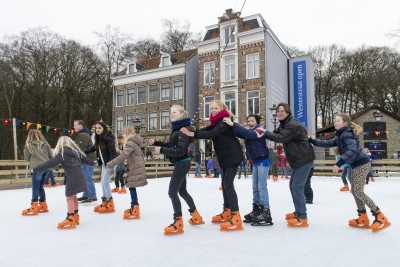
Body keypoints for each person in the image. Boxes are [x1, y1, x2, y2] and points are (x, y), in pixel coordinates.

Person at [309, 113, 391, 233]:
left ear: (345, 123)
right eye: (335, 120)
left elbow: (352, 150)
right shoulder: (341, 135)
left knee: (358, 191)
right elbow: (328, 143)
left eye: (338, 121)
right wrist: (312, 140)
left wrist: (339, 163)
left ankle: (380, 216)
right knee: (355, 191)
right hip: (356, 165)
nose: (335, 122)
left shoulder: (347, 134)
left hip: (361, 164)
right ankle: (363, 217)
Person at [181, 100, 244, 231]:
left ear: (221, 109)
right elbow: (205, 130)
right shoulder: (216, 123)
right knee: (225, 184)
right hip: (224, 157)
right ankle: (227, 211)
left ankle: (236, 215)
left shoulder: (225, 121)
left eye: (216, 108)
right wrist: (191, 132)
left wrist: (192, 134)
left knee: (228, 184)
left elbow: (211, 134)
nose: (213, 110)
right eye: (212, 108)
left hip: (232, 155)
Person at [150, 105, 204, 235]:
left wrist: (161, 150)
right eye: (170, 112)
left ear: (181, 114)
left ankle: (178, 222)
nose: (171, 114)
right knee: (182, 191)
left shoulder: (182, 130)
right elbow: (171, 145)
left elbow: (179, 151)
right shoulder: (177, 129)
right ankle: (195, 215)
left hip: (182, 163)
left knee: (172, 192)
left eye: (174, 112)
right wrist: (157, 143)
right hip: (181, 163)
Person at [263, 103, 315, 227]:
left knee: (297, 187)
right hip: (298, 160)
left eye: (282, 111)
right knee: (293, 186)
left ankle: (302, 217)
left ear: (287, 112)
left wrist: (264, 132)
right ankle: (298, 211)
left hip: (303, 158)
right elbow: (276, 132)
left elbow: (280, 137)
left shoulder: (292, 124)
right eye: (278, 111)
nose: (280, 113)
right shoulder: (285, 123)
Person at [33, 136, 94, 229]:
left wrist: (36, 169)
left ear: (60, 144)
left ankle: (70, 218)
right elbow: (87, 160)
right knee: (74, 197)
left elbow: (50, 163)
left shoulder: (62, 153)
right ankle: (75, 216)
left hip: (72, 176)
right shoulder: (76, 152)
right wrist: (93, 163)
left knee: (69, 197)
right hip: (80, 175)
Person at [224, 114, 273, 226]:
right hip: (255, 161)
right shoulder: (249, 132)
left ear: (257, 122)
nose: (250, 123)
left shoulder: (260, 130)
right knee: (255, 187)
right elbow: (239, 133)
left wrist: (234, 124)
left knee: (261, 186)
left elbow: (248, 134)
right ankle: (257, 209)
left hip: (263, 161)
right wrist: (228, 125)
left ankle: (266, 211)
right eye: (248, 121)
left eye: (252, 121)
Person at [106, 127, 148, 220]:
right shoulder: (134, 142)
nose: (122, 135)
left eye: (123, 133)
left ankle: (135, 208)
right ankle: (134, 206)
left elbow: (123, 157)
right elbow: (128, 154)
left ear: (127, 133)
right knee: (131, 186)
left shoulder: (129, 143)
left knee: (131, 186)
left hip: (135, 167)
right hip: (136, 166)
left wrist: (110, 164)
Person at [86, 121, 117, 213]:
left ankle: (110, 203)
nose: (97, 130)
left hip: (110, 163)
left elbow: (112, 151)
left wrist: (111, 164)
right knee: (103, 182)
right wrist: (85, 151)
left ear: (104, 128)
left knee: (105, 182)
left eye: (100, 128)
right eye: (96, 128)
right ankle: (105, 201)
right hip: (104, 163)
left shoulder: (108, 138)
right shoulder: (99, 138)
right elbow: (95, 147)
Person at [22, 129, 53, 216]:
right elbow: (51, 156)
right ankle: (43, 205)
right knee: (40, 188)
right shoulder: (46, 144)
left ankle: (34, 207)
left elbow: (26, 158)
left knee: (35, 188)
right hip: (46, 167)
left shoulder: (29, 145)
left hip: (37, 168)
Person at [73, 120, 98, 204]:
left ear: (81, 125)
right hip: (85, 160)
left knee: (87, 178)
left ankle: (92, 196)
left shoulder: (83, 135)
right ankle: (86, 194)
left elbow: (80, 149)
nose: (74, 127)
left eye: (75, 125)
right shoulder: (81, 134)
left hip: (88, 160)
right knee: (85, 178)